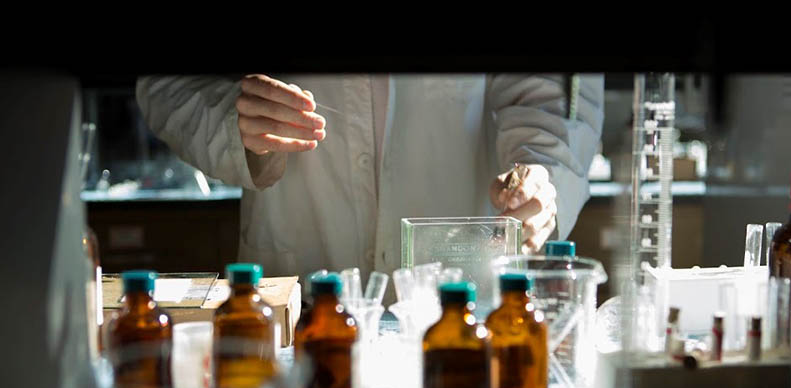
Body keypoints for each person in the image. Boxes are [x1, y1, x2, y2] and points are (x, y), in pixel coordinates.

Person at [136, 74, 604, 284]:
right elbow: (167, 84)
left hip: (457, 284)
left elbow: (552, 96)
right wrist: (229, 122)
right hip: (301, 271)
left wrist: (542, 175)